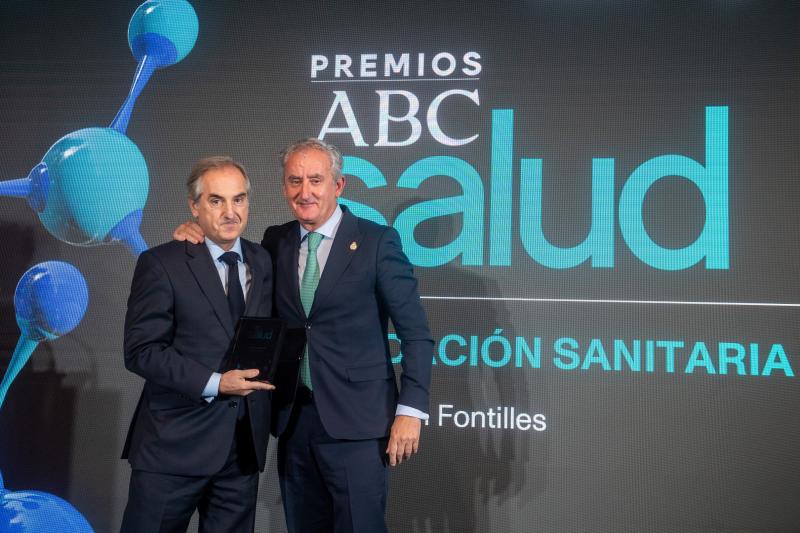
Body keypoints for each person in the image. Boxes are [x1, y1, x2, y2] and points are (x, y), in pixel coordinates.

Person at [174, 139, 433, 533]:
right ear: (283, 188)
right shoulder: (274, 242)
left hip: (360, 425)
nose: (305, 191)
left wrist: (410, 411)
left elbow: (416, 335)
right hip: (294, 421)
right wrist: (198, 233)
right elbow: (229, 257)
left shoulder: (377, 242)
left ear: (338, 185)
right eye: (295, 181)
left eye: (316, 180)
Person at [121, 157, 275, 533]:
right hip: (172, 449)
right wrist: (216, 383)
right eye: (216, 201)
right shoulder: (162, 263)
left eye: (238, 199)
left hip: (241, 453)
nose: (230, 212)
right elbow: (142, 350)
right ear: (194, 206)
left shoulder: (262, 261)